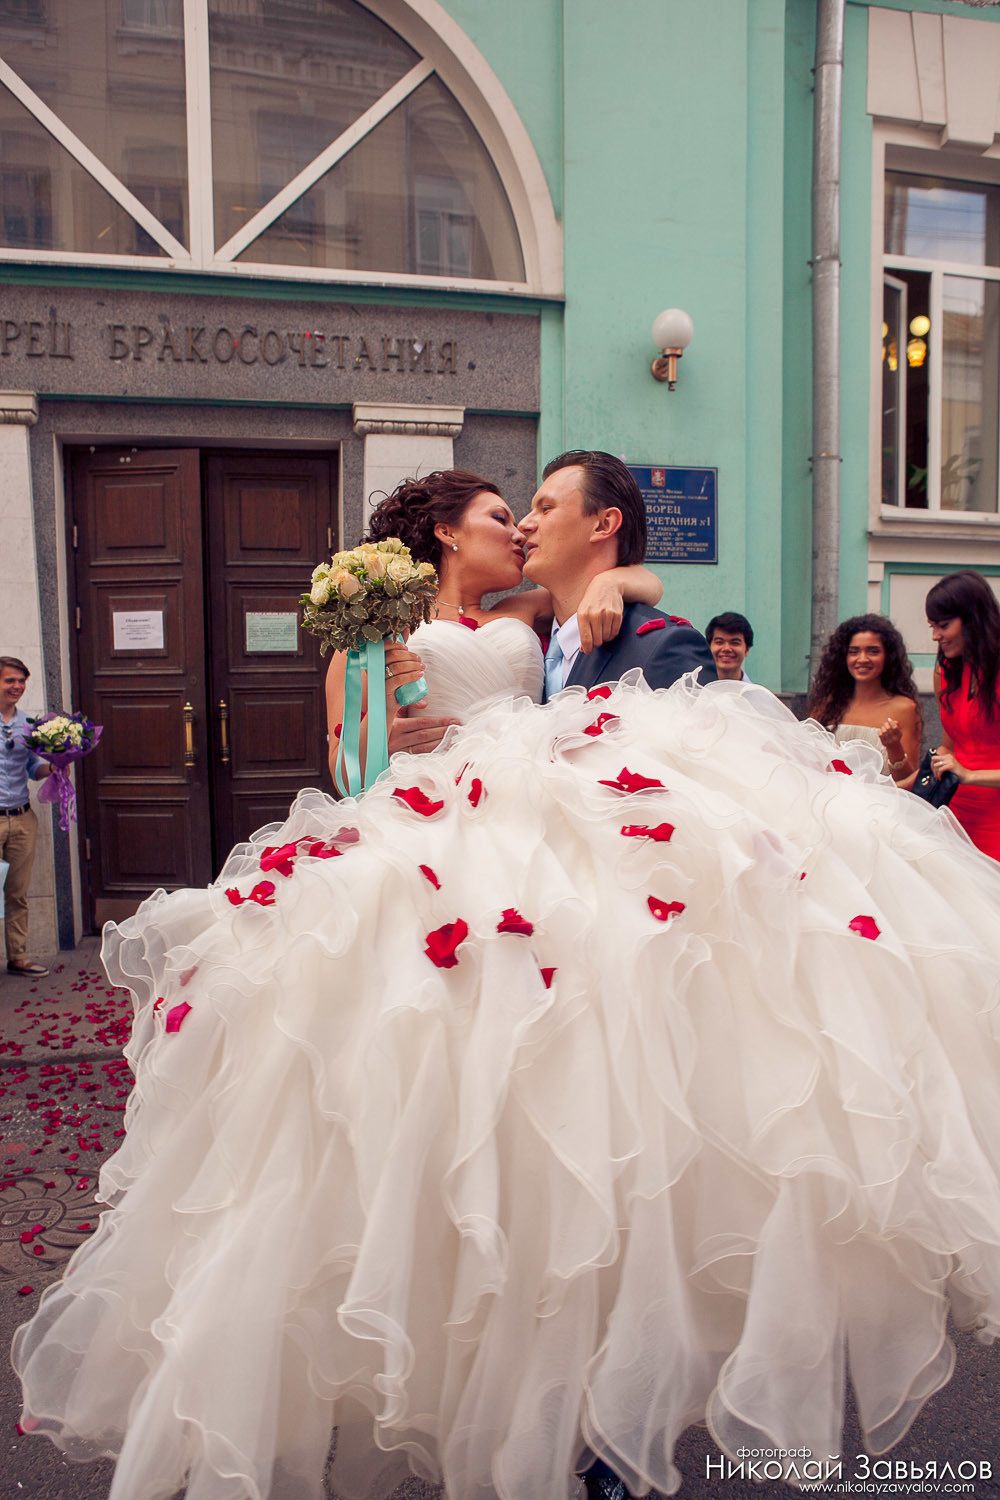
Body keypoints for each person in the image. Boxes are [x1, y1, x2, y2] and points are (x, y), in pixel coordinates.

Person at [15, 472, 1000, 1500]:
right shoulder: (387, 639)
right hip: (447, 843)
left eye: (529, 512)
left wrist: (626, 575)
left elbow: (617, 586)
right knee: (448, 1116)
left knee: (547, 1104)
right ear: (445, 535)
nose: (518, 528)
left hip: (530, 850)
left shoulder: (530, 617)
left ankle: (556, 1386)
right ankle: (495, 1362)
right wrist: (388, 719)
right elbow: (352, 767)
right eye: (499, 516)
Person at [325, 466, 667, 788]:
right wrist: (381, 733)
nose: (519, 535)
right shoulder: (380, 629)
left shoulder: (524, 608)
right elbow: (346, 779)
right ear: (447, 531)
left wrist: (610, 584)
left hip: (529, 795)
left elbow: (650, 584)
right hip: (429, 808)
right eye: (500, 519)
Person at [520, 450, 715, 694]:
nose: (524, 524)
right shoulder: (524, 643)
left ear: (604, 524)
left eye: (546, 508)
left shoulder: (663, 647)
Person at [925, 569, 1000, 860]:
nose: (935, 636)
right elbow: (949, 745)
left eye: (943, 625)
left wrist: (969, 774)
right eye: (931, 626)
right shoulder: (945, 671)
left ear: (973, 619)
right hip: (954, 811)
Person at [807, 614, 922, 785]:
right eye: (854, 652)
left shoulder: (904, 708)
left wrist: (894, 747)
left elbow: (909, 781)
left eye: (873, 651)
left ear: (888, 656)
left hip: (880, 805)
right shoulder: (828, 704)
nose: (862, 659)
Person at [0, 656, 52, 977]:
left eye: (21, 681)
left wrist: (56, 766)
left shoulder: (28, 725)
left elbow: (34, 769)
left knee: (17, 893)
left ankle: (18, 957)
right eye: (10, 681)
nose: (17, 687)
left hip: (21, 818)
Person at [705, 611, 754, 681]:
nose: (726, 649)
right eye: (719, 642)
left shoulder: (757, 692)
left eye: (735, 643)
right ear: (709, 647)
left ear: (747, 649)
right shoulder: (694, 690)